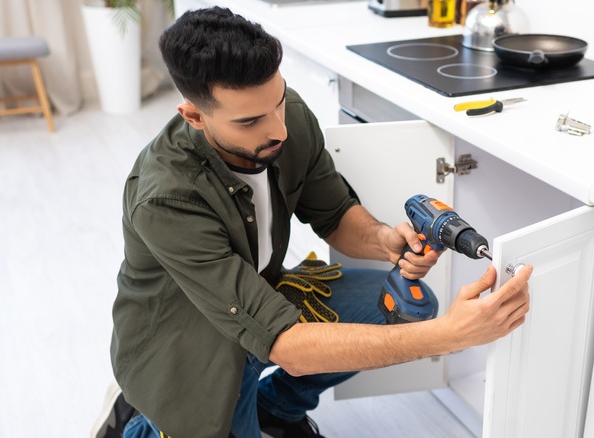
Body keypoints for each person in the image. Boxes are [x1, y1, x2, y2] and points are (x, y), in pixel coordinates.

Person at [94, 6, 532, 438]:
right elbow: (288, 346)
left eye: (278, 102)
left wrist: (385, 239)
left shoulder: (286, 119)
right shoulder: (167, 197)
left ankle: (277, 409)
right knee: (208, 415)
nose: (279, 130)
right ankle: (143, 425)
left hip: (256, 297)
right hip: (187, 342)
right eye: (249, 121)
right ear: (193, 116)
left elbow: (335, 213)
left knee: (402, 308)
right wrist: (450, 337)